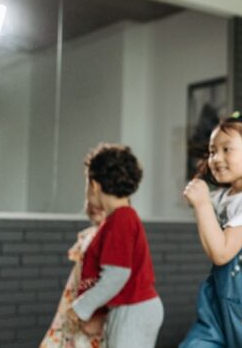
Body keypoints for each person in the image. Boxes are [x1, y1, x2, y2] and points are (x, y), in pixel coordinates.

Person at [180, 112, 242, 347]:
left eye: (227, 149)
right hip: (217, 301)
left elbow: (221, 252)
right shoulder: (226, 195)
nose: (216, 158)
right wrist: (200, 190)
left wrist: (202, 202)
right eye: (212, 151)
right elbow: (193, 199)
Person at [68, 143, 163, 347]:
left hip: (133, 309)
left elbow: (116, 276)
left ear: (94, 184)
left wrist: (81, 308)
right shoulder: (120, 219)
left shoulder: (121, 220)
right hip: (132, 308)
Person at [40, 202, 106, 348]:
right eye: (89, 197)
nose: (93, 203)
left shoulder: (106, 237)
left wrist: (94, 314)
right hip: (76, 311)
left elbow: (105, 282)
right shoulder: (91, 236)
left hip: (90, 318)